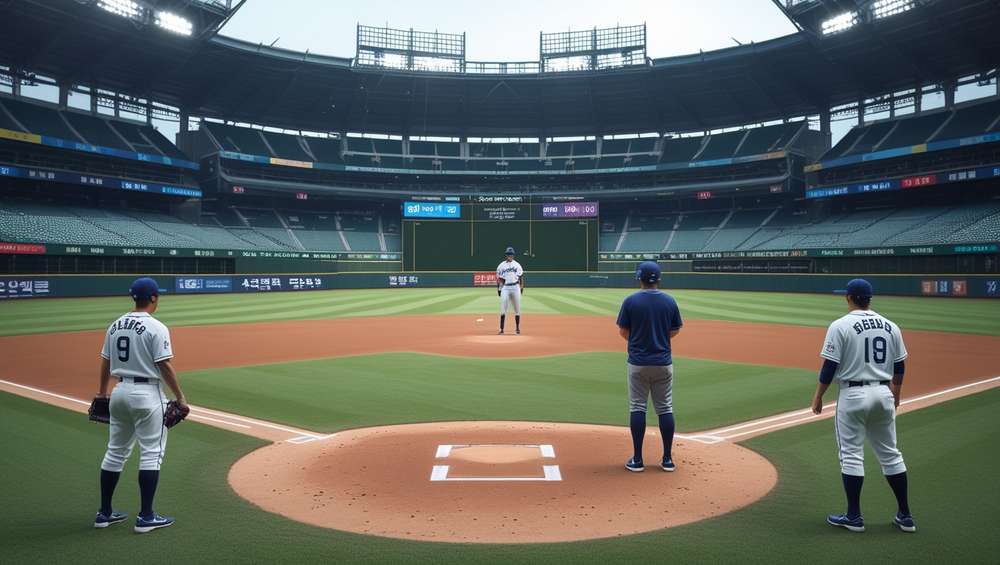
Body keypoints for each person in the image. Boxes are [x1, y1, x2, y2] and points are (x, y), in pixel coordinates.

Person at [811, 278, 915, 533]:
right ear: (869, 299)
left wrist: (818, 396)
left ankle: (854, 517)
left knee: (851, 455)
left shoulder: (840, 325)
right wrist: (897, 394)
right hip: (883, 392)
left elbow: (829, 367)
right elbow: (900, 365)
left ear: (848, 298)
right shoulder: (891, 326)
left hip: (853, 395)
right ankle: (905, 515)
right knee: (891, 454)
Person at [93, 277, 188, 533]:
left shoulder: (115, 325)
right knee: (151, 454)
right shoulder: (156, 327)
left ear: (134, 297)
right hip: (147, 394)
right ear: (154, 298)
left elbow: (105, 361)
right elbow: (164, 365)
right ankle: (146, 517)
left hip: (119, 391)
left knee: (115, 452)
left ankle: (104, 513)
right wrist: (180, 397)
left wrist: (102, 393)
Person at [616, 261, 682, 472]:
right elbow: (674, 331)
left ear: (639, 278)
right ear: (659, 279)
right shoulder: (670, 301)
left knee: (638, 407)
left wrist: (639, 341)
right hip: (663, 362)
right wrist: (659, 339)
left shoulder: (630, 301)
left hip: (638, 362)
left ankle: (637, 459)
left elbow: (623, 332)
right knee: (665, 408)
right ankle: (667, 459)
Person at [496, 246, 525, 335]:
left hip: (515, 287)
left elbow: (521, 277)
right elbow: (499, 279)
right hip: (506, 288)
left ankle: (517, 329)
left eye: (511, 254)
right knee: (503, 308)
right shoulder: (501, 266)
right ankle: (501, 329)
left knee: (517, 309)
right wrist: (499, 288)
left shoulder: (517, 265)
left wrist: (522, 287)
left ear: (513, 255)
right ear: (506, 255)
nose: (510, 256)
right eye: (508, 254)